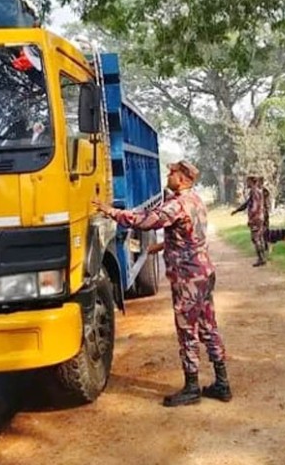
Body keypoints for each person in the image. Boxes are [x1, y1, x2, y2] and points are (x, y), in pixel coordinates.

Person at [93, 160, 231, 406]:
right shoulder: (196, 201)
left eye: (173, 172)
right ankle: (222, 383)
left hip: (188, 278)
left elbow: (144, 220)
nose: (169, 175)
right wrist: (163, 246)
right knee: (208, 325)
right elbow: (188, 236)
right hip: (203, 273)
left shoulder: (176, 204)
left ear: (183, 178)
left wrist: (110, 211)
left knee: (187, 329)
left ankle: (191, 387)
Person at [231, 175, 268, 266]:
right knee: (259, 237)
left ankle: (261, 258)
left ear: (252, 182)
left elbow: (254, 206)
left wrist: (252, 217)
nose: (246, 184)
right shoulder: (258, 191)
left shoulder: (254, 191)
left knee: (255, 238)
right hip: (260, 217)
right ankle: (263, 257)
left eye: (248, 182)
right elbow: (246, 204)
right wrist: (237, 211)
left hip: (256, 218)